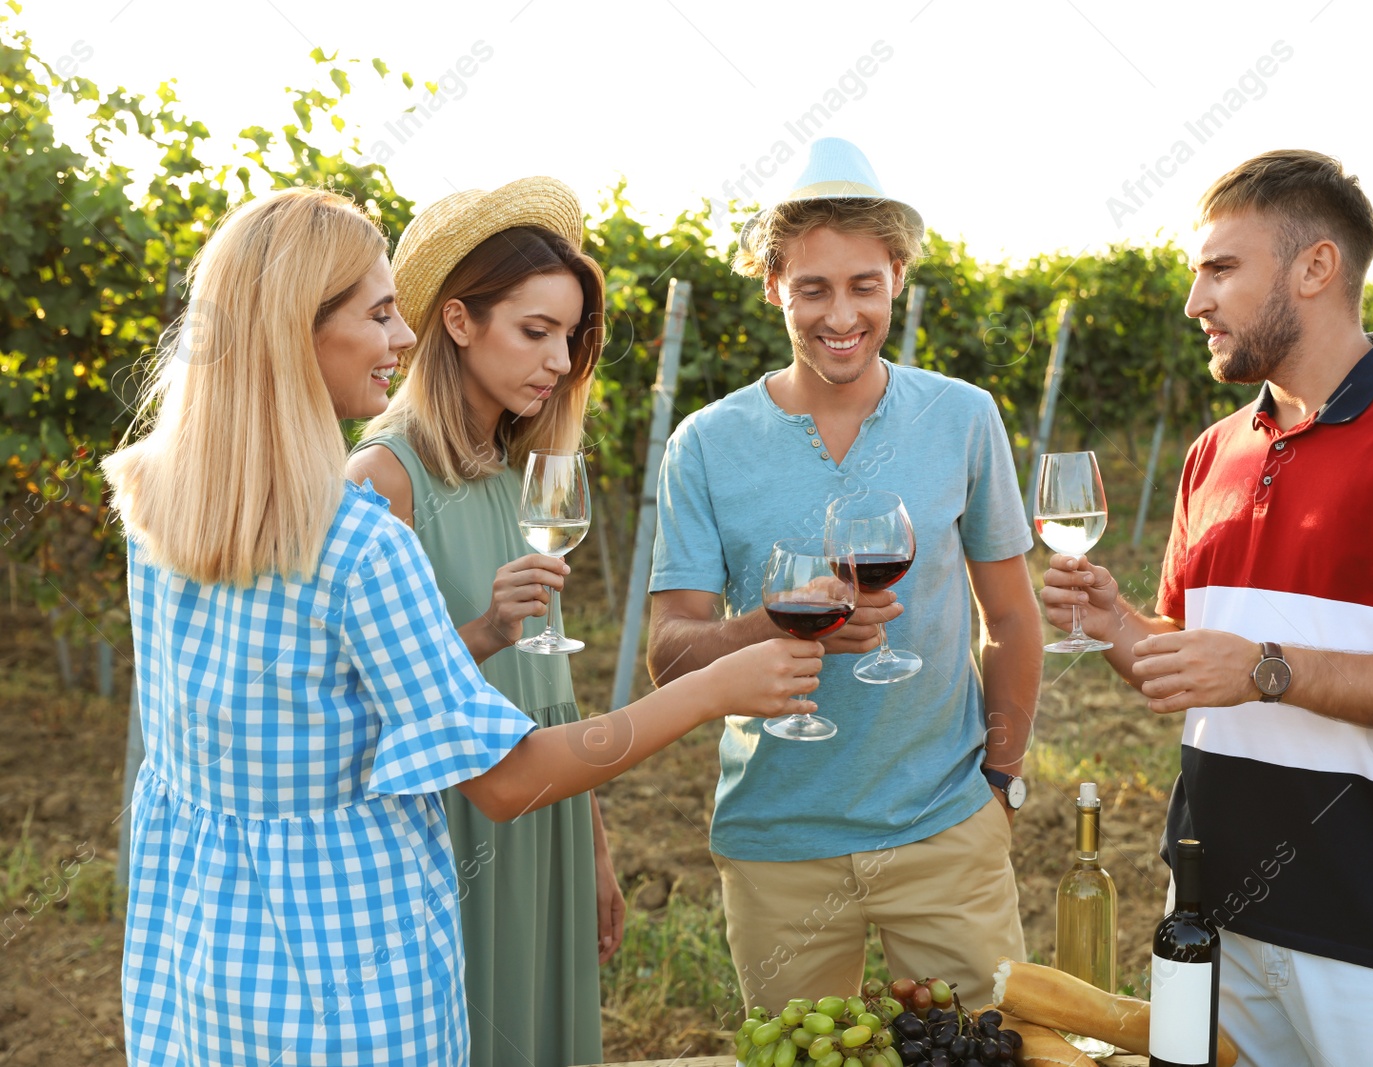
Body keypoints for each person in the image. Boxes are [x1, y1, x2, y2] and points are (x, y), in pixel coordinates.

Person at [105, 186, 824, 1066]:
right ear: (294, 329)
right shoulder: (359, 538)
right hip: (359, 963)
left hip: (206, 959)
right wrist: (715, 689)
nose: (402, 335)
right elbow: (508, 782)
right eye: (377, 313)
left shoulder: (153, 507)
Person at [1042, 149, 1373, 1065]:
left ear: (1316, 267)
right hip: (1211, 921)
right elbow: (1201, 661)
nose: (1194, 302)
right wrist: (1119, 627)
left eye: (1221, 269)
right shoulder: (1214, 452)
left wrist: (1271, 669)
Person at [647, 138, 1043, 1007]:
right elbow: (668, 654)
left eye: (864, 284)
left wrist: (1001, 782)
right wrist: (782, 620)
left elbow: (1011, 618)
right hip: (775, 839)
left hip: (944, 826)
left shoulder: (963, 417)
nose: (841, 314)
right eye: (813, 288)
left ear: (896, 277)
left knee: (977, 1054)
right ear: (773, 287)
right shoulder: (706, 445)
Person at [348, 176, 616, 1067]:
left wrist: (595, 847)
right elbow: (367, 702)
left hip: (546, 805)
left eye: (569, 338)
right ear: (458, 321)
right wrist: (484, 630)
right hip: (456, 817)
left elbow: (555, 686)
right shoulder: (382, 480)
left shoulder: (525, 478)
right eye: (534, 331)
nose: (556, 359)